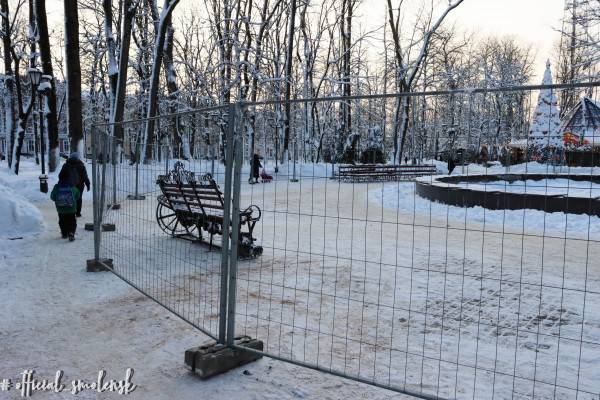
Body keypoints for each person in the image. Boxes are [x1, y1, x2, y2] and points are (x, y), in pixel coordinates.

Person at [50, 169, 80, 241]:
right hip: (71, 208)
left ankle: (64, 233)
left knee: (62, 221)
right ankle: (71, 232)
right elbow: (77, 195)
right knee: (72, 221)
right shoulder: (72, 187)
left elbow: (52, 197)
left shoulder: (57, 187)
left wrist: (58, 200)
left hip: (61, 209)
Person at [60, 152, 90, 217]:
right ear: (78, 158)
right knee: (79, 198)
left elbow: (61, 176)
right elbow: (85, 176)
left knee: (69, 198)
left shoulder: (66, 165)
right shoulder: (81, 165)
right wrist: (88, 184)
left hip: (69, 185)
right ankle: (78, 213)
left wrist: (62, 183)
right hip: (79, 185)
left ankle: (70, 212)